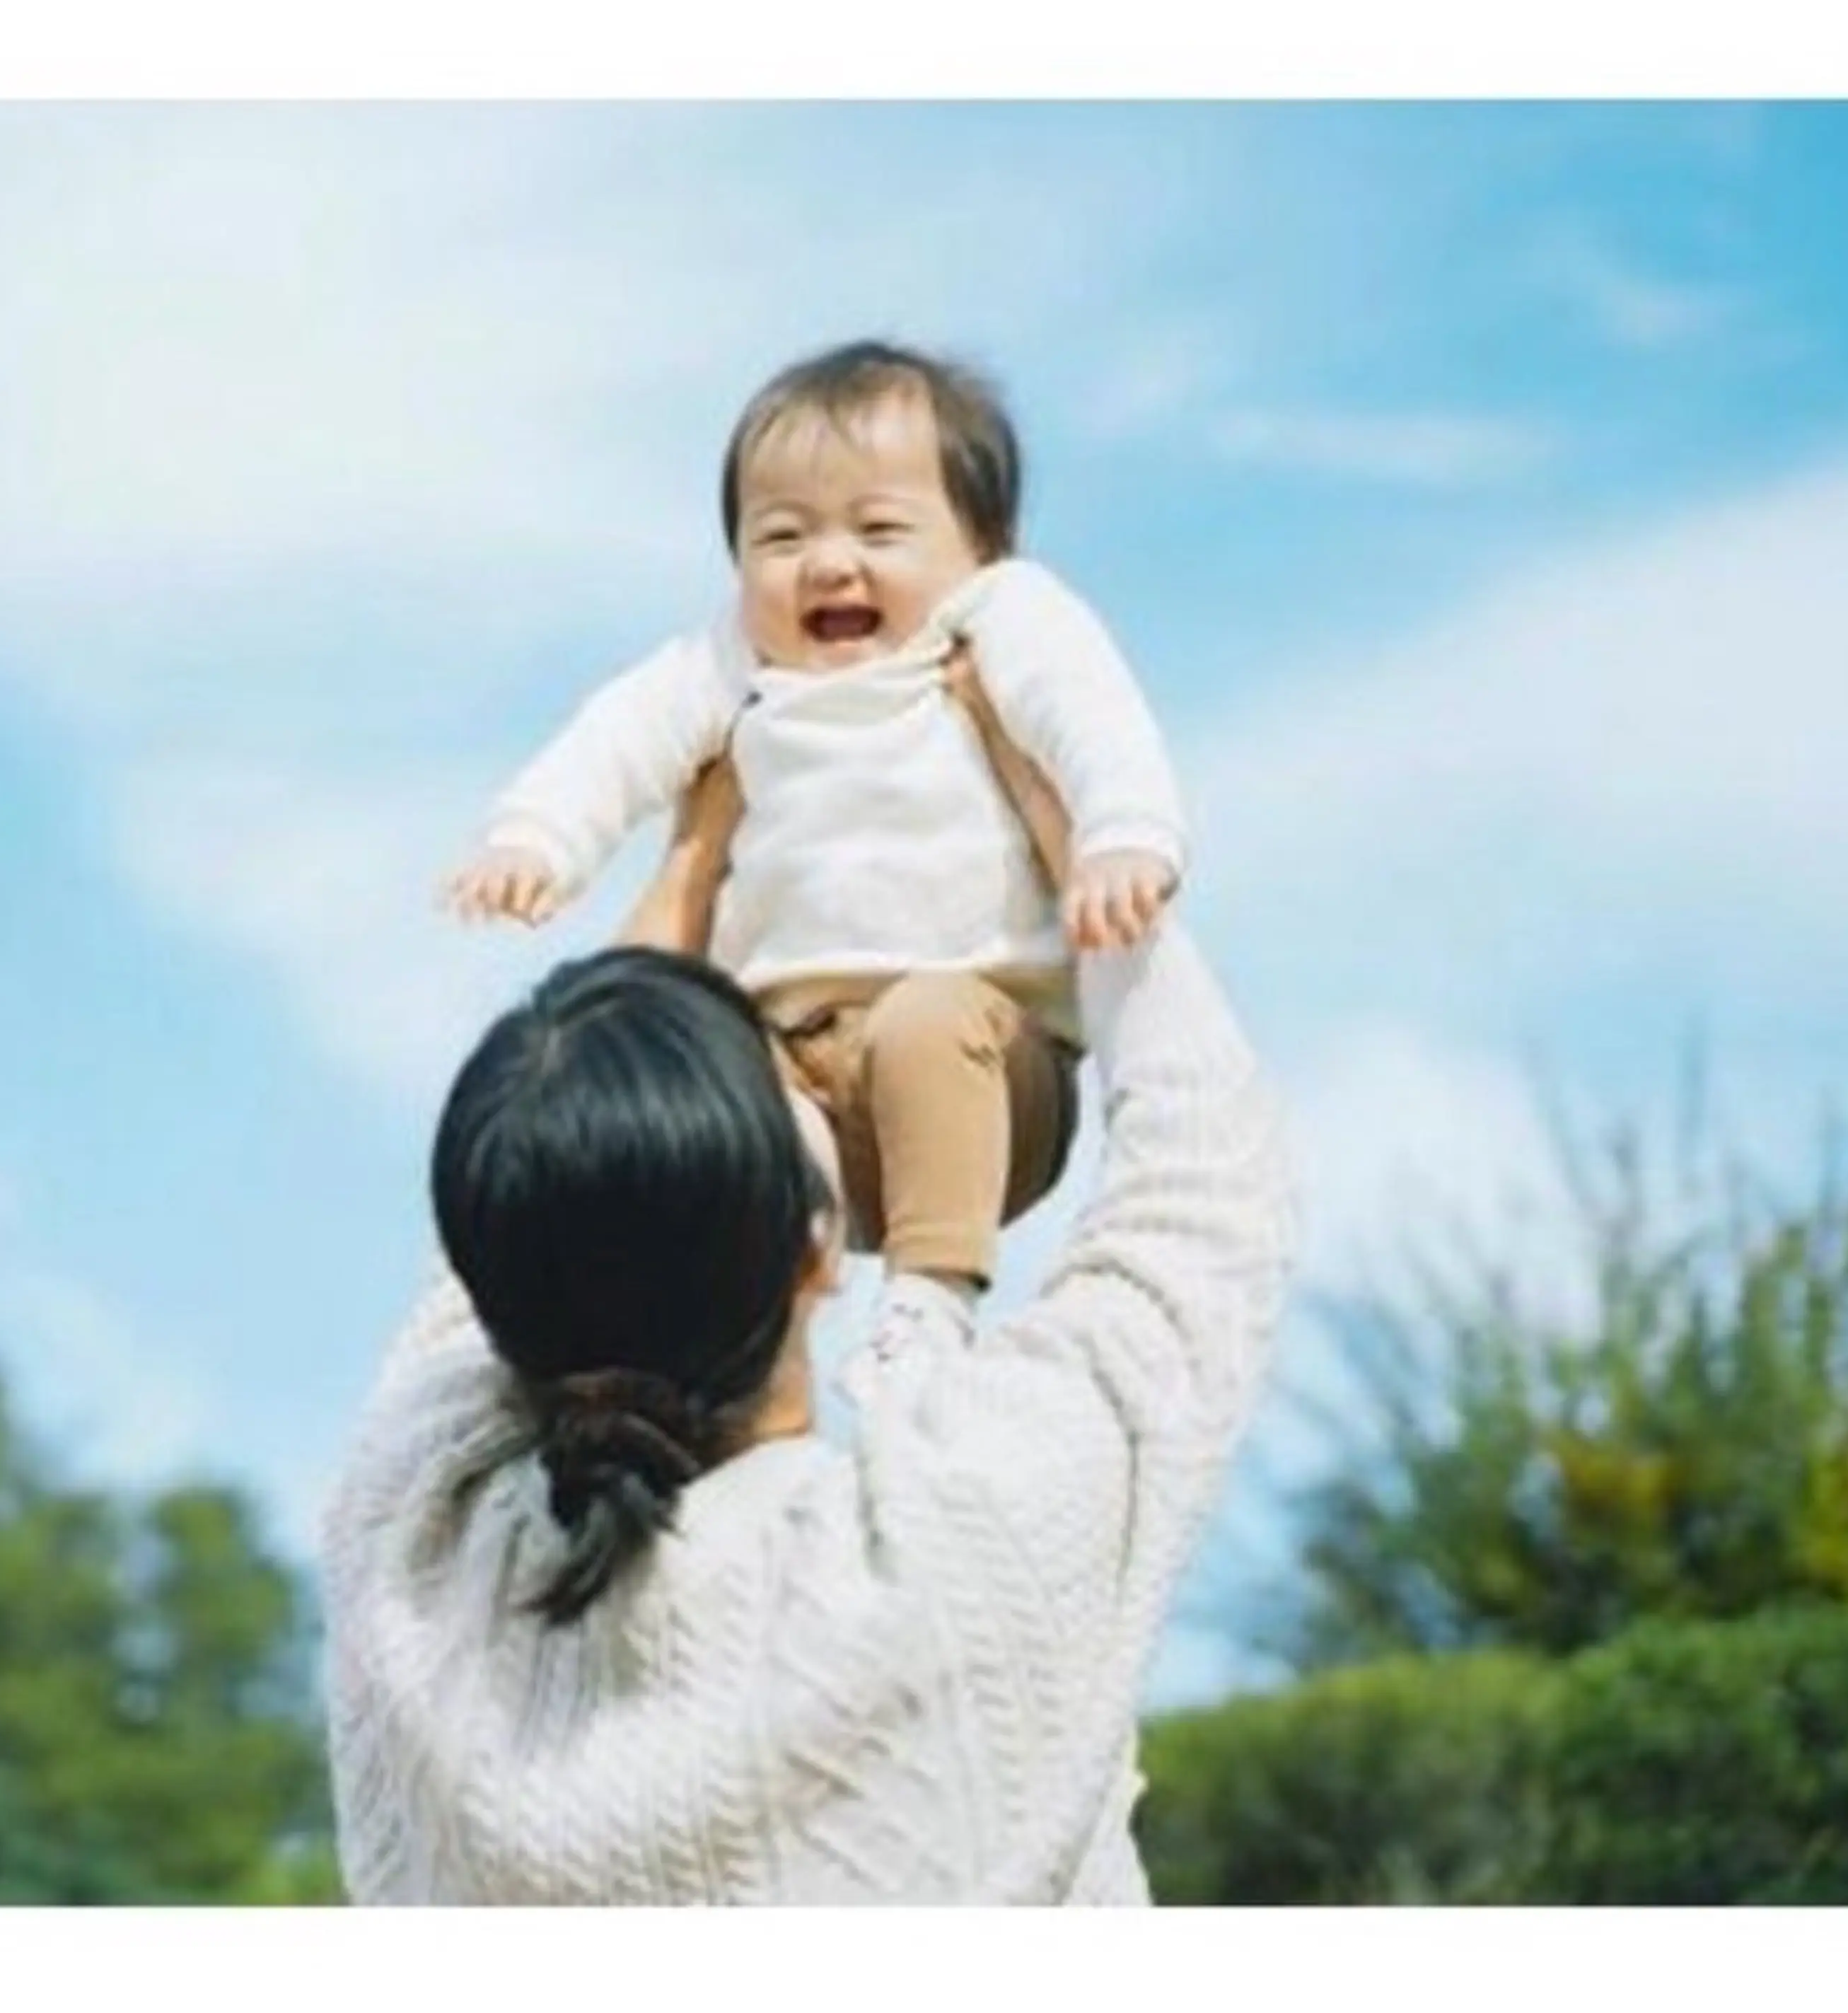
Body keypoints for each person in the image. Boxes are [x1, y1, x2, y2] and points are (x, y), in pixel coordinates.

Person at [319, 879, 1296, 1902]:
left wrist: (695, 862)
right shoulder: (960, 1531)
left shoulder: (408, 1576)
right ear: (816, 1252)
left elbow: (530, 1192)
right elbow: (1208, 1189)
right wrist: (1091, 850)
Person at [442, 340, 1190, 1362]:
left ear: (983, 547)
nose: (830, 562)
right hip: (797, 1063)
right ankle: (752, 1318)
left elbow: (1091, 714)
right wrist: (536, 836)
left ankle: (929, 1305)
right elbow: (619, 735)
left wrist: (1121, 838)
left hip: (983, 1064)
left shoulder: (998, 623)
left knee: (929, 1021)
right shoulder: (738, 660)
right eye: (781, 535)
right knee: (712, 1088)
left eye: (880, 529)